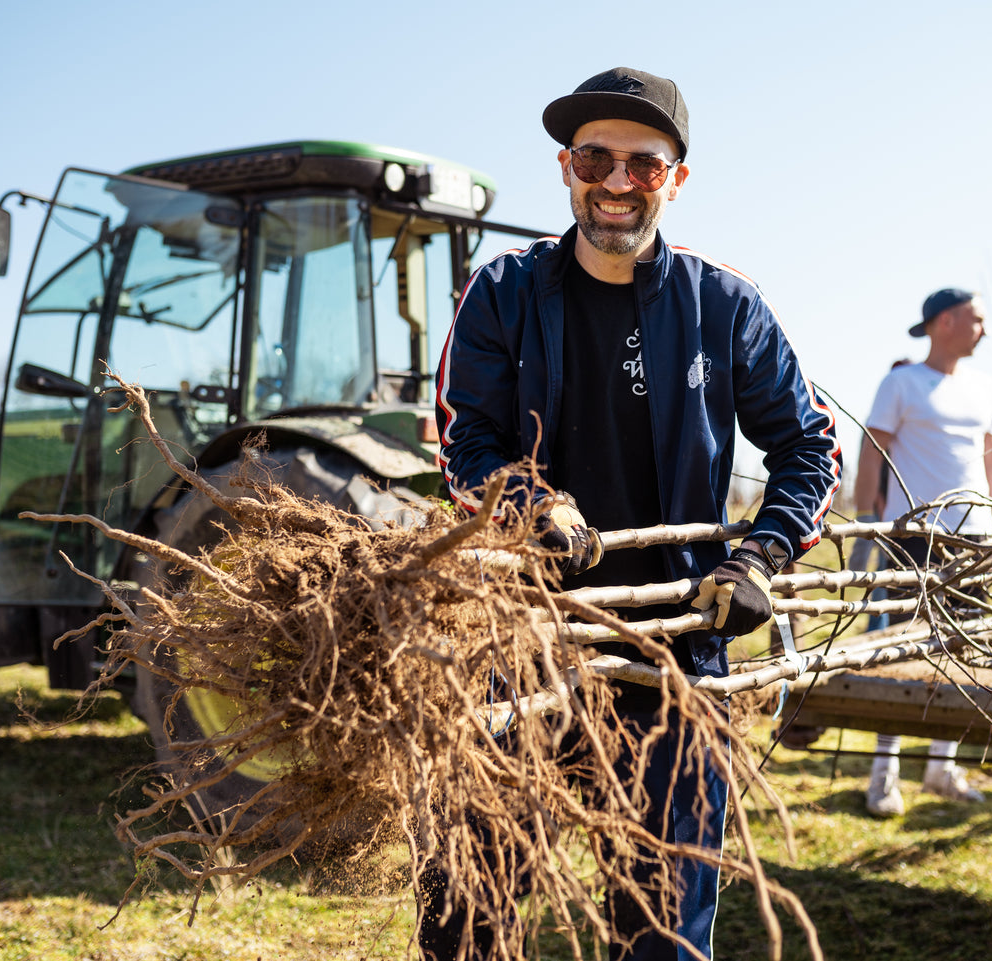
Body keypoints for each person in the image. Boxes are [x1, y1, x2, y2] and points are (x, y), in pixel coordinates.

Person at [427, 67, 842, 959]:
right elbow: (466, 441)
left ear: (675, 179)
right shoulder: (501, 291)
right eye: (595, 158)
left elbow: (810, 444)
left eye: (643, 166)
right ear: (566, 167)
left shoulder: (724, 306)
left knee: (660, 930)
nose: (616, 182)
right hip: (525, 644)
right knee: (470, 909)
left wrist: (760, 555)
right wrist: (528, 502)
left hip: (676, 657)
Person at [851, 288, 992, 818]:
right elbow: (871, 452)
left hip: (974, 541)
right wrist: (870, 527)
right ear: (946, 321)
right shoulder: (901, 383)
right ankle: (884, 774)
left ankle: (942, 766)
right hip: (916, 537)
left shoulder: (985, 388)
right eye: (978, 319)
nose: (985, 329)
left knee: (961, 653)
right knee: (899, 652)